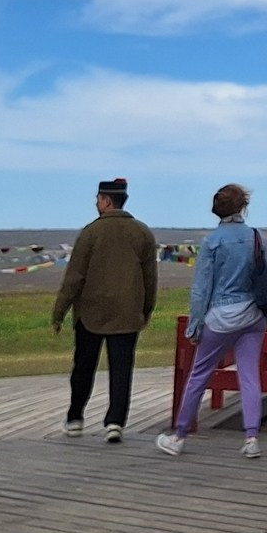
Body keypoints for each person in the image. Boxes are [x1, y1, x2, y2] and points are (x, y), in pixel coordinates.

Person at [157, 184, 267, 459]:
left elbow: (201, 289)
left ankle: (180, 435)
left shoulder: (212, 242)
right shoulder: (256, 237)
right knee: (249, 375)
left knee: (198, 375)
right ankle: (252, 437)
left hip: (220, 315)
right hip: (252, 314)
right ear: (243, 206)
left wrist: (195, 325)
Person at [53, 175, 159, 442]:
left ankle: (75, 417)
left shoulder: (90, 232)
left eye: (99, 199)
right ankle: (115, 423)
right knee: (122, 369)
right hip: (127, 313)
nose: (96, 203)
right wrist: (146, 309)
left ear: (106, 200)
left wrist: (59, 311)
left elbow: (74, 276)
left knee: (83, 367)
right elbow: (150, 278)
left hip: (91, 313)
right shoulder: (142, 232)